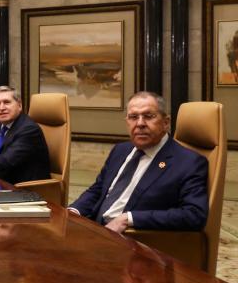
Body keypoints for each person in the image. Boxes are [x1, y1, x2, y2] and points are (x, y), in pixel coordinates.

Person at [68, 91, 208, 234]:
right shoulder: (121, 150)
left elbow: (194, 215)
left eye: (148, 116)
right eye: (133, 117)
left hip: (132, 240)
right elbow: (98, 190)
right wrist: (73, 211)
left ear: (165, 123)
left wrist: (129, 218)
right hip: (95, 230)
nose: (140, 123)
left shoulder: (189, 162)